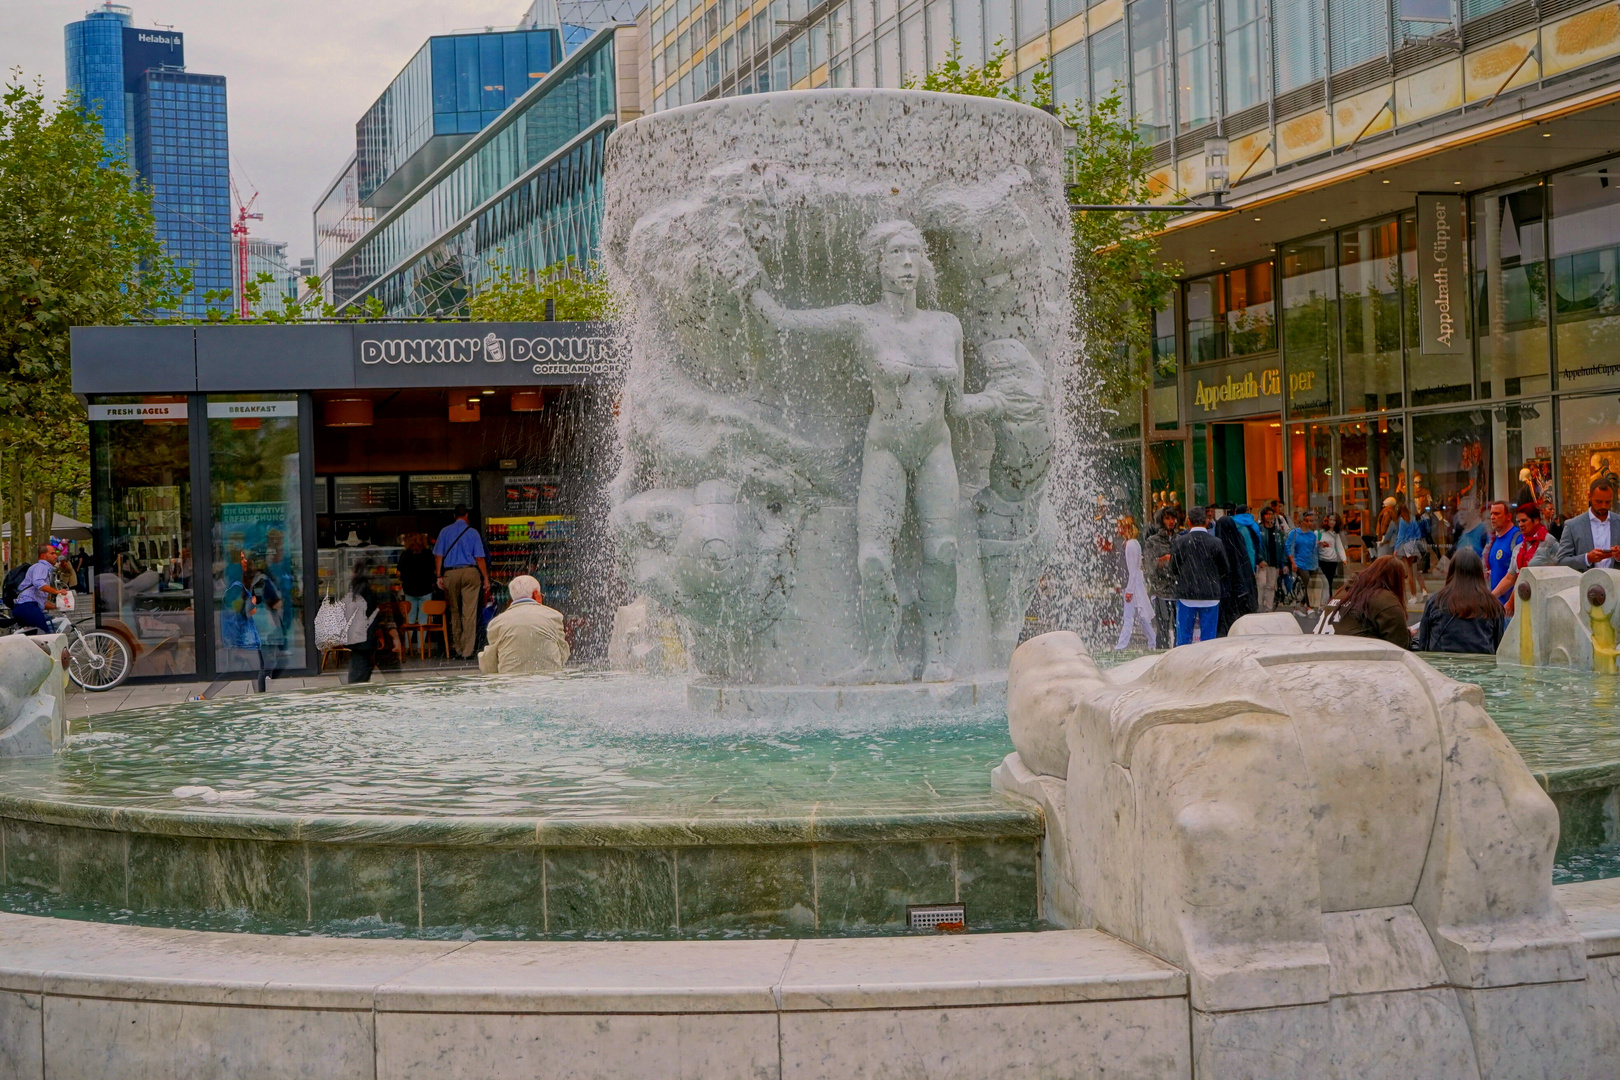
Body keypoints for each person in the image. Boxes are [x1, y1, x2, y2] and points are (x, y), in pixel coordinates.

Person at [1416, 547, 1506, 654]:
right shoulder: (1493, 606)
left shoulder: (1436, 602)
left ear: (1452, 571)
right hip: (1481, 667)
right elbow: (1498, 647)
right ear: (1479, 573)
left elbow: (1423, 644)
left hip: (1440, 667)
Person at [478, 574, 571, 675]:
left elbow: (490, 665)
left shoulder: (497, 623)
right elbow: (563, 654)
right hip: (548, 681)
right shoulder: (554, 616)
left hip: (511, 683)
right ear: (536, 594)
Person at [433, 505, 489, 660]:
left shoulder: (445, 532)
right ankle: (467, 650)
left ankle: (457, 648)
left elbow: (438, 556)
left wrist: (439, 576)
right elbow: (479, 558)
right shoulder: (472, 532)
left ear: (454, 515)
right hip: (470, 572)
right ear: (466, 515)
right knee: (469, 613)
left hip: (450, 573)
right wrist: (486, 579)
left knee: (454, 612)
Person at [1532, 477, 1620, 571]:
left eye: (1608, 502)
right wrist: (1587, 558)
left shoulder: (1618, 522)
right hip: (1585, 583)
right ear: (1589, 497)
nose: (1603, 506)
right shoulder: (1572, 525)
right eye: (1599, 502)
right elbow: (1561, 561)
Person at [1170, 506, 1229, 645]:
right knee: (1208, 640)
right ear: (1207, 521)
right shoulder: (1216, 542)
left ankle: (1182, 664)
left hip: (1186, 594)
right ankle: (1207, 664)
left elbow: (1173, 568)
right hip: (1210, 594)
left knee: (1184, 638)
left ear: (1188, 522)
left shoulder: (1180, 542)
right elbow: (1225, 569)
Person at [1328, 555, 1412, 649]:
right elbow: (1398, 646)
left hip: (1324, 650)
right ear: (1395, 580)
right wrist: (1407, 635)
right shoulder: (1383, 599)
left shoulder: (1343, 592)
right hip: (1353, 657)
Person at [1497, 503, 1548, 615]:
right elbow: (1510, 577)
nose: (1520, 524)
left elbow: (1528, 578)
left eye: (1524, 521)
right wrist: (1491, 597)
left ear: (1536, 520)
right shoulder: (1519, 547)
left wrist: (1511, 602)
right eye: (1518, 521)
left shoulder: (1548, 544)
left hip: (1543, 606)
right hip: (1524, 604)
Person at [1114, 516, 1155, 650]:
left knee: (1130, 617)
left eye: (1122, 527)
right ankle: (1152, 641)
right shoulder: (1131, 543)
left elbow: (1132, 569)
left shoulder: (1131, 544)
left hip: (1132, 586)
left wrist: (1129, 590)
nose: (1119, 529)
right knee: (1140, 616)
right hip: (1133, 584)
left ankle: (1122, 645)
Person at [1214, 513, 1257, 636]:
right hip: (1240, 592)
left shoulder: (1218, 544)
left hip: (1224, 593)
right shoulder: (1238, 541)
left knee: (1224, 625)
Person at [1143, 507, 1179, 649]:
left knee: (1179, 626)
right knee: (1163, 626)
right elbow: (1149, 566)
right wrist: (1162, 561)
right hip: (1161, 591)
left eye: (1173, 518)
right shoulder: (1153, 541)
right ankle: (1161, 653)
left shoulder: (1180, 539)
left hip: (1178, 590)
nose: (1171, 522)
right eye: (1167, 518)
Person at [341, 561, 383, 684]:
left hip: (357, 638)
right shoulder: (366, 590)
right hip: (364, 638)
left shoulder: (355, 589)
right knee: (360, 671)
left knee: (358, 669)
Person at [12, 545, 65, 633]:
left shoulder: (45, 569)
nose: (55, 556)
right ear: (43, 556)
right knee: (49, 633)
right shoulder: (41, 566)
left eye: (55, 553)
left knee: (39, 634)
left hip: (25, 607)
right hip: (28, 607)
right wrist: (56, 592)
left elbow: (40, 601)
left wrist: (57, 606)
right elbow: (38, 583)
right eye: (52, 553)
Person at [397, 533, 437, 627]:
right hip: (426, 589)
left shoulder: (405, 554)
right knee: (423, 620)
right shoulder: (428, 553)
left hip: (410, 590)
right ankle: (421, 642)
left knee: (410, 619)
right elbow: (434, 570)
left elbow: (398, 573)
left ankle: (409, 641)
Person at [1483, 500, 1521, 598]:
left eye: (1496, 514)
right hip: (1497, 605)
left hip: (1511, 607)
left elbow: (1520, 575)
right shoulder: (1497, 539)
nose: (1492, 517)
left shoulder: (1517, 538)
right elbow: (1501, 566)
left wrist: (1511, 603)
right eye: (1491, 514)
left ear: (1508, 516)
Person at [1285, 511, 1320, 610]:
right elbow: (1288, 547)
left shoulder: (1312, 535)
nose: (1309, 523)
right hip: (1300, 563)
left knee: (1312, 585)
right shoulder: (1295, 533)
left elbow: (1313, 550)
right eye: (1307, 521)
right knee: (1308, 583)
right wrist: (1292, 562)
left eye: (1312, 521)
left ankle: (1300, 604)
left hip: (1312, 563)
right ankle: (1309, 607)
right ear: (1302, 522)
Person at [1254, 506, 1287, 612]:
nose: (1270, 516)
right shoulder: (1258, 529)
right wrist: (1259, 560)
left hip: (1274, 562)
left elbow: (1282, 547)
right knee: (1261, 584)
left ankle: (1269, 608)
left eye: (1271, 514)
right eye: (1267, 514)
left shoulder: (1277, 531)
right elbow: (1256, 546)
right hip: (1262, 563)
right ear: (1263, 516)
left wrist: (1284, 563)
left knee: (1271, 586)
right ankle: (1259, 606)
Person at [1393, 504, 1427, 596]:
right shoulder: (1412, 519)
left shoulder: (1402, 521)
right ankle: (1424, 590)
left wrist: (1396, 549)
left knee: (1409, 573)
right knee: (1417, 571)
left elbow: (1401, 536)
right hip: (1415, 546)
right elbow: (1418, 533)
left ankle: (1413, 595)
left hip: (1406, 547)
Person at [1317, 513, 1348, 598]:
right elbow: (1313, 544)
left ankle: (1328, 599)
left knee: (1329, 581)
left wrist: (1343, 558)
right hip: (1322, 560)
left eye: (1334, 520)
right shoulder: (1320, 533)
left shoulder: (1335, 534)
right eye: (1330, 520)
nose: (1332, 522)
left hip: (1333, 560)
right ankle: (1327, 600)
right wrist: (1320, 543)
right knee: (1326, 581)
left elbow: (1339, 546)